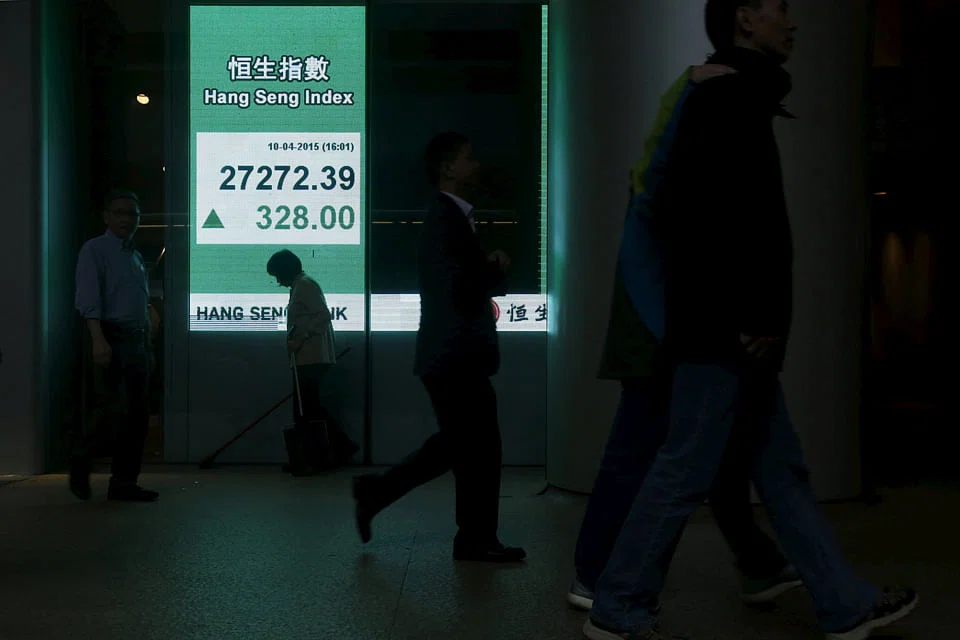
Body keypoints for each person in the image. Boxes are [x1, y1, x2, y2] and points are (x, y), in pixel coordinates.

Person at [585, 2, 918, 639]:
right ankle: (618, 605)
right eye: (778, 9)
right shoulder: (726, 99)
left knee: (778, 469)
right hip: (725, 332)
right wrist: (753, 317)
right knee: (685, 466)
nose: (791, 22)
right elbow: (711, 222)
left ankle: (843, 604)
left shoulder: (733, 94)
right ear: (744, 19)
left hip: (728, 329)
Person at [567, 63, 802, 613]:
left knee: (705, 449)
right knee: (655, 454)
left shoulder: (680, 139)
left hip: (664, 323)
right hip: (660, 326)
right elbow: (657, 206)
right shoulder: (686, 130)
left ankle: (754, 563)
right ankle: (600, 575)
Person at [351, 132, 525, 563]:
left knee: (461, 444)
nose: (475, 164)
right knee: (478, 447)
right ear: (448, 168)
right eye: (468, 157)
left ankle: (381, 495)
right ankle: (475, 538)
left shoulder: (449, 217)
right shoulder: (447, 218)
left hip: (449, 354)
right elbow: (460, 288)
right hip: (456, 354)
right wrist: (495, 267)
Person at [71, 189, 157, 502]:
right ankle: (81, 458)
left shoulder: (135, 256)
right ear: (106, 217)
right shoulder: (95, 249)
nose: (127, 219)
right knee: (111, 411)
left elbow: (140, 303)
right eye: (120, 212)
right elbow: (88, 298)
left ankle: (124, 483)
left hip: (137, 339)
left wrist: (147, 343)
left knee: (138, 415)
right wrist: (98, 339)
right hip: (110, 335)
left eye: (133, 214)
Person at [267, 249, 358, 475]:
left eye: (277, 275)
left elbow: (323, 315)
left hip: (311, 357)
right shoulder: (300, 286)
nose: (278, 281)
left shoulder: (305, 286)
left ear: (285, 271)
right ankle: (317, 454)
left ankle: (331, 450)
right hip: (305, 357)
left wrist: (300, 337)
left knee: (307, 408)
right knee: (307, 407)